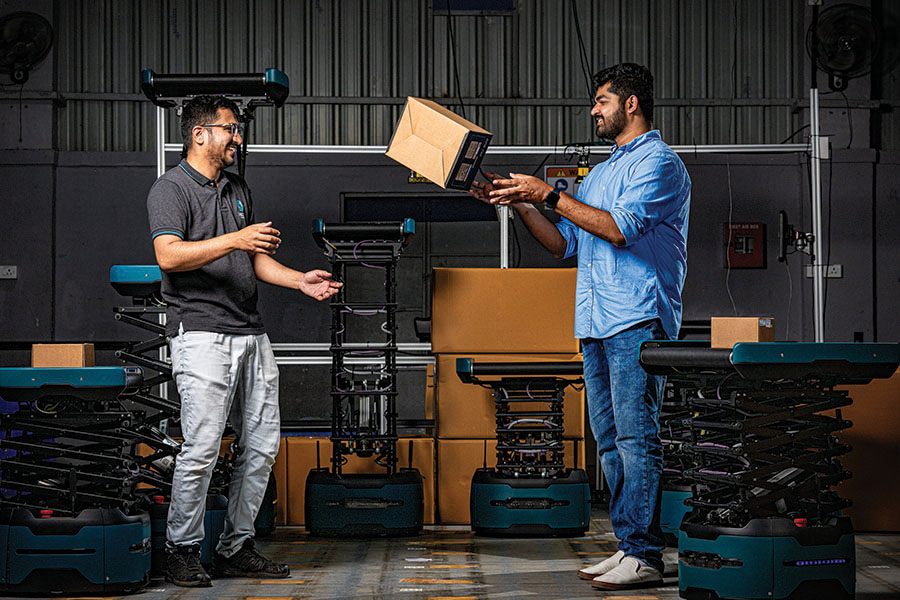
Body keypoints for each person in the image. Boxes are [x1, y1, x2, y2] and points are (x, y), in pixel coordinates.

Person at [470, 63, 690, 591]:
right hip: (596, 319)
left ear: (631, 104)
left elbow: (618, 230)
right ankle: (630, 546)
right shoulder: (606, 170)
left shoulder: (659, 164)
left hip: (637, 316)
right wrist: (521, 203)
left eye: (602, 101)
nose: (594, 110)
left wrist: (546, 193)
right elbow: (563, 243)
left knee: (638, 438)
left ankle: (645, 554)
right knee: (610, 440)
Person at [147, 95, 342, 587]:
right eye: (230, 129)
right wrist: (236, 239)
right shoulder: (170, 189)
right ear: (199, 134)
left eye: (237, 129)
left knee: (260, 448)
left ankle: (236, 545)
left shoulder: (237, 188)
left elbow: (253, 259)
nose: (238, 137)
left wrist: (299, 280)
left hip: (251, 333)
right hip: (201, 334)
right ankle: (182, 550)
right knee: (203, 448)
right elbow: (169, 256)